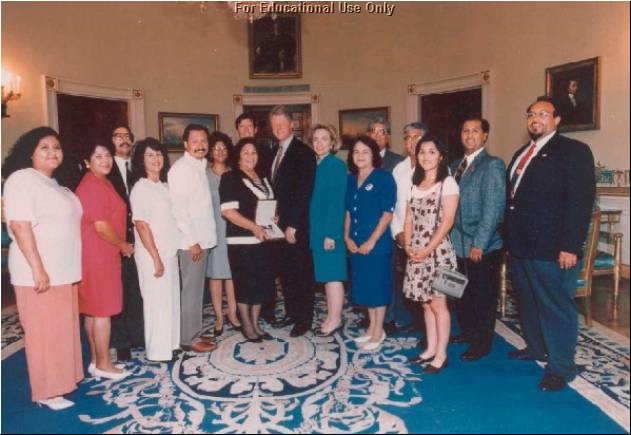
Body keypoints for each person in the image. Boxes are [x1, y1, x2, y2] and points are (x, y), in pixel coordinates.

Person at [506, 97, 595, 391]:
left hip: (552, 249)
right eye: (531, 114)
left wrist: (570, 246)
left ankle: (561, 367)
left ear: (557, 120)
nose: (535, 119)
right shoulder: (522, 153)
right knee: (528, 302)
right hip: (520, 246)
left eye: (543, 114)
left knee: (556, 308)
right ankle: (536, 348)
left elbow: (580, 204)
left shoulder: (574, 151)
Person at [2, 127, 84, 410]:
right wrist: (38, 269)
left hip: (64, 270)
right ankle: (47, 392)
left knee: (61, 330)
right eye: (44, 147)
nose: (53, 152)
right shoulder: (22, 180)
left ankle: (64, 379)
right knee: (44, 332)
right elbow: (20, 226)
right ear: (30, 152)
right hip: (39, 272)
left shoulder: (55, 184)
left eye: (57, 147)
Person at [76, 139, 132, 381]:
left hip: (99, 254)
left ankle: (96, 361)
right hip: (99, 255)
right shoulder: (92, 186)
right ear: (87, 162)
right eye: (98, 156)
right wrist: (122, 245)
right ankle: (104, 364)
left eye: (107, 155)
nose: (105, 160)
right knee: (102, 312)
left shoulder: (102, 182)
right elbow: (100, 225)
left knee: (93, 311)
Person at [450, 118, 506, 361]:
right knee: (460, 293)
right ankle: (468, 332)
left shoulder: (492, 165)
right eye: (465, 130)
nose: (469, 135)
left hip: (481, 245)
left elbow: (493, 209)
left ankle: (482, 343)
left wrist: (479, 244)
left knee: (482, 296)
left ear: (485, 136)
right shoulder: (454, 165)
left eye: (475, 131)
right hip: (455, 243)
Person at [404, 135, 459, 374]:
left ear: (441, 156)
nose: (426, 156)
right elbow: (408, 218)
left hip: (439, 254)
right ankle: (430, 348)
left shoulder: (448, 183)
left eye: (432, 151)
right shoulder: (413, 185)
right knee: (425, 304)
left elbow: (447, 222)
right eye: (422, 151)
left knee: (439, 305)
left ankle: (442, 355)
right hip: (416, 252)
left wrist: (426, 249)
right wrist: (407, 245)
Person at [220, 138, 276, 342]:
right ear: (238, 155)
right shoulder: (230, 177)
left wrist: (273, 218)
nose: (250, 156)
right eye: (246, 152)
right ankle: (246, 325)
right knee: (245, 285)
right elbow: (228, 212)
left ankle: (255, 322)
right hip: (241, 241)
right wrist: (253, 227)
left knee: (260, 283)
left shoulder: (262, 177)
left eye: (254, 152)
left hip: (263, 240)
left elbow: (268, 204)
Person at [129, 138, 181, 362]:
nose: (156, 159)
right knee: (156, 303)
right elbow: (141, 225)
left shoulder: (164, 185)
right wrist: (156, 258)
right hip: (152, 254)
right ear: (141, 160)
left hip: (169, 250)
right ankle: (158, 351)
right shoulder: (140, 188)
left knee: (170, 300)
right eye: (150, 155)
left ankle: (171, 344)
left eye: (159, 154)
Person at [168, 124, 218, 353]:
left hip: (202, 240)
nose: (200, 145)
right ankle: (188, 338)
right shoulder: (181, 170)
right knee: (191, 291)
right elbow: (179, 210)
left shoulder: (199, 166)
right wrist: (192, 241)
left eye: (203, 140)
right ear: (185, 144)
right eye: (195, 141)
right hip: (191, 244)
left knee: (197, 291)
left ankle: (193, 331)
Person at [345, 136, 397, 352]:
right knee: (365, 287)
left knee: (377, 287)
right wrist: (346, 236)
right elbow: (348, 211)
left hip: (377, 244)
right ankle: (371, 327)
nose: (360, 156)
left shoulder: (384, 178)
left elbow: (387, 214)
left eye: (365, 151)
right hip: (356, 243)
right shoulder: (351, 179)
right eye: (356, 151)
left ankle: (378, 330)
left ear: (374, 154)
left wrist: (372, 240)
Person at [268, 105, 317, 337]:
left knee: (300, 273)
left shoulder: (303, 152)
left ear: (291, 125)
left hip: (294, 227)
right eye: (274, 124)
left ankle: (303, 319)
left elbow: (303, 191)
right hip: (277, 226)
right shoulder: (273, 152)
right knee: (285, 273)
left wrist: (293, 224)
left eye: (282, 124)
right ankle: (291, 311)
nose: (278, 128)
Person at [387, 122, 429, 335]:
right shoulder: (399, 169)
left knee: (429, 290)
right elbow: (393, 207)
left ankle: (431, 333)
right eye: (407, 138)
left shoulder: (436, 166)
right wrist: (399, 235)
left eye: (416, 137)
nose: (411, 142)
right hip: (404, 239)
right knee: (410, 287)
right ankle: (418, 323)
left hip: (428, 241)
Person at [108, 125, 145, 362]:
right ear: (111, 141)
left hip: (140, 237)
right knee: (119, 290)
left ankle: (138, 336)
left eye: (127, 137)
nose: (123, 140)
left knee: (136, 290)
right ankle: (120, 342)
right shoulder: (105, 168)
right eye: (118, 136)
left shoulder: (139, 168)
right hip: (115, 239)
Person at [308, 124, 348, 337]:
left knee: (333, 277)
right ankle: (332, 315)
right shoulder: (318, 164)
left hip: (329, 233)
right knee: (326, 276)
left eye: (324, 139)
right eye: (315, 139)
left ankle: (335, 319)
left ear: (333, 142)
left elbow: (337, 202)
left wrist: (331, 235)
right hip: (318, 231)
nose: (319, 143)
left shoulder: (336, 165)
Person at [206, 131, 241, 336]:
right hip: (213, 230)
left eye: (224, 148)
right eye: (216, 148)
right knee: (216, 275)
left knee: (232, 274)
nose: (220, 151)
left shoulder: (234, 173)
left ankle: (233, 314)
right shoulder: (204, 174)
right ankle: (219, 316)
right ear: (211, 151)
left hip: (233, 228)